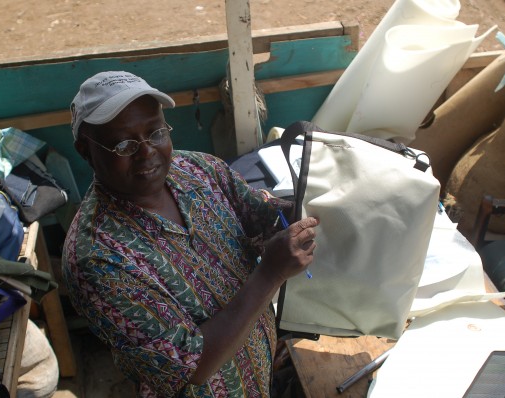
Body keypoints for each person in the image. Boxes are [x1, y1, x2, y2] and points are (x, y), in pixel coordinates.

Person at [62, 71, 318, 397]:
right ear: (85, 150)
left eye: (155, 132)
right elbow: (191, 365)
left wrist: (309, 204)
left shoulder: (198, 169)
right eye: (123, 144)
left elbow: (258, 215)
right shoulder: (97, 259)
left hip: (258, 369)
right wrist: (270, 273)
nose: (146, 153)